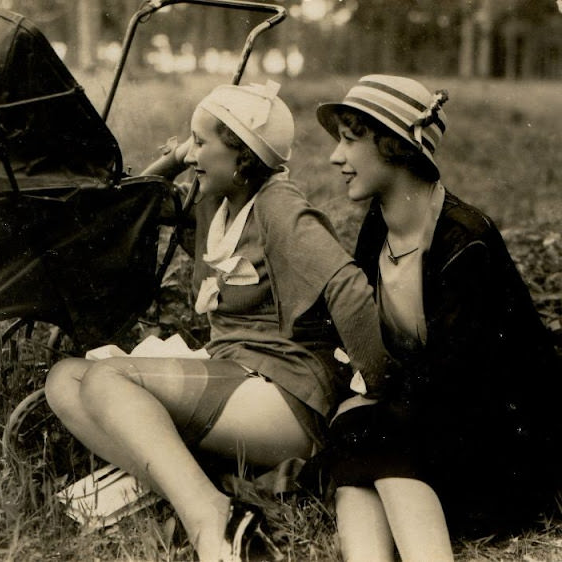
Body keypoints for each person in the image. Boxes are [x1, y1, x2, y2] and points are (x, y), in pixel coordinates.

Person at [45, 80, 396, 562]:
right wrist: (174, 157)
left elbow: (349, 289)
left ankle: (211, 518)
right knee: (64, 380)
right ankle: (202, 488)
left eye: (201, 141)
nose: (192, 154)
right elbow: (132, 204)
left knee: (107, 378)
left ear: (243, 156)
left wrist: (378, 393)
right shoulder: (217, 196)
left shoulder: (279, 205)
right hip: (237, 375)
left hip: (288, 393)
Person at [314, 74, 561, 561]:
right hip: (429, 426)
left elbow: (466, 382)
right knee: (358, 439)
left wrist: (368, 407)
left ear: (394, 146)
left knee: (370, 436)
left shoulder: (465, 241)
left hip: (502, 451)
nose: (334, 156)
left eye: (349, 138)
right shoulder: (377, 230)